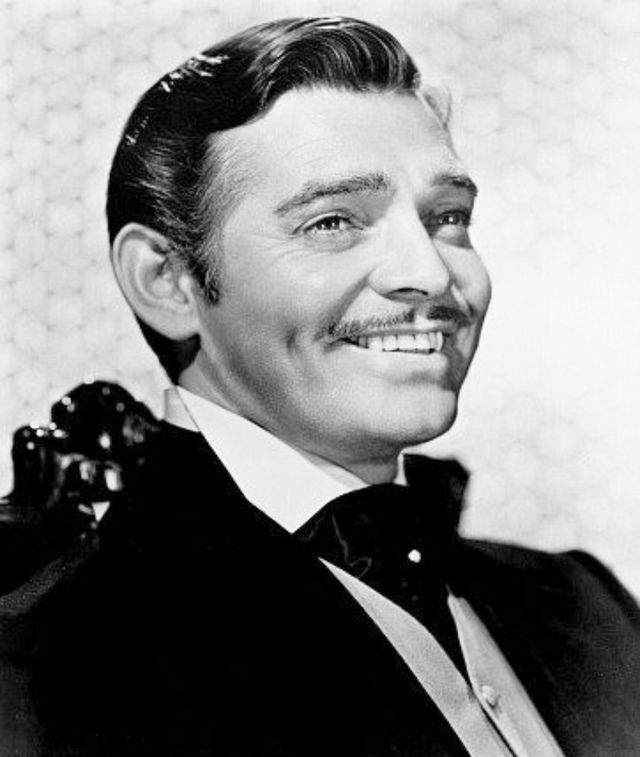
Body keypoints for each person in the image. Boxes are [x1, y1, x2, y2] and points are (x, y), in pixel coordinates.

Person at [2, 16, 639, 757]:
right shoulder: (53, 660)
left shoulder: (587, 607)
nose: (431, 273)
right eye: (333, 221)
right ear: (167, 281)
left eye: (448, 217)